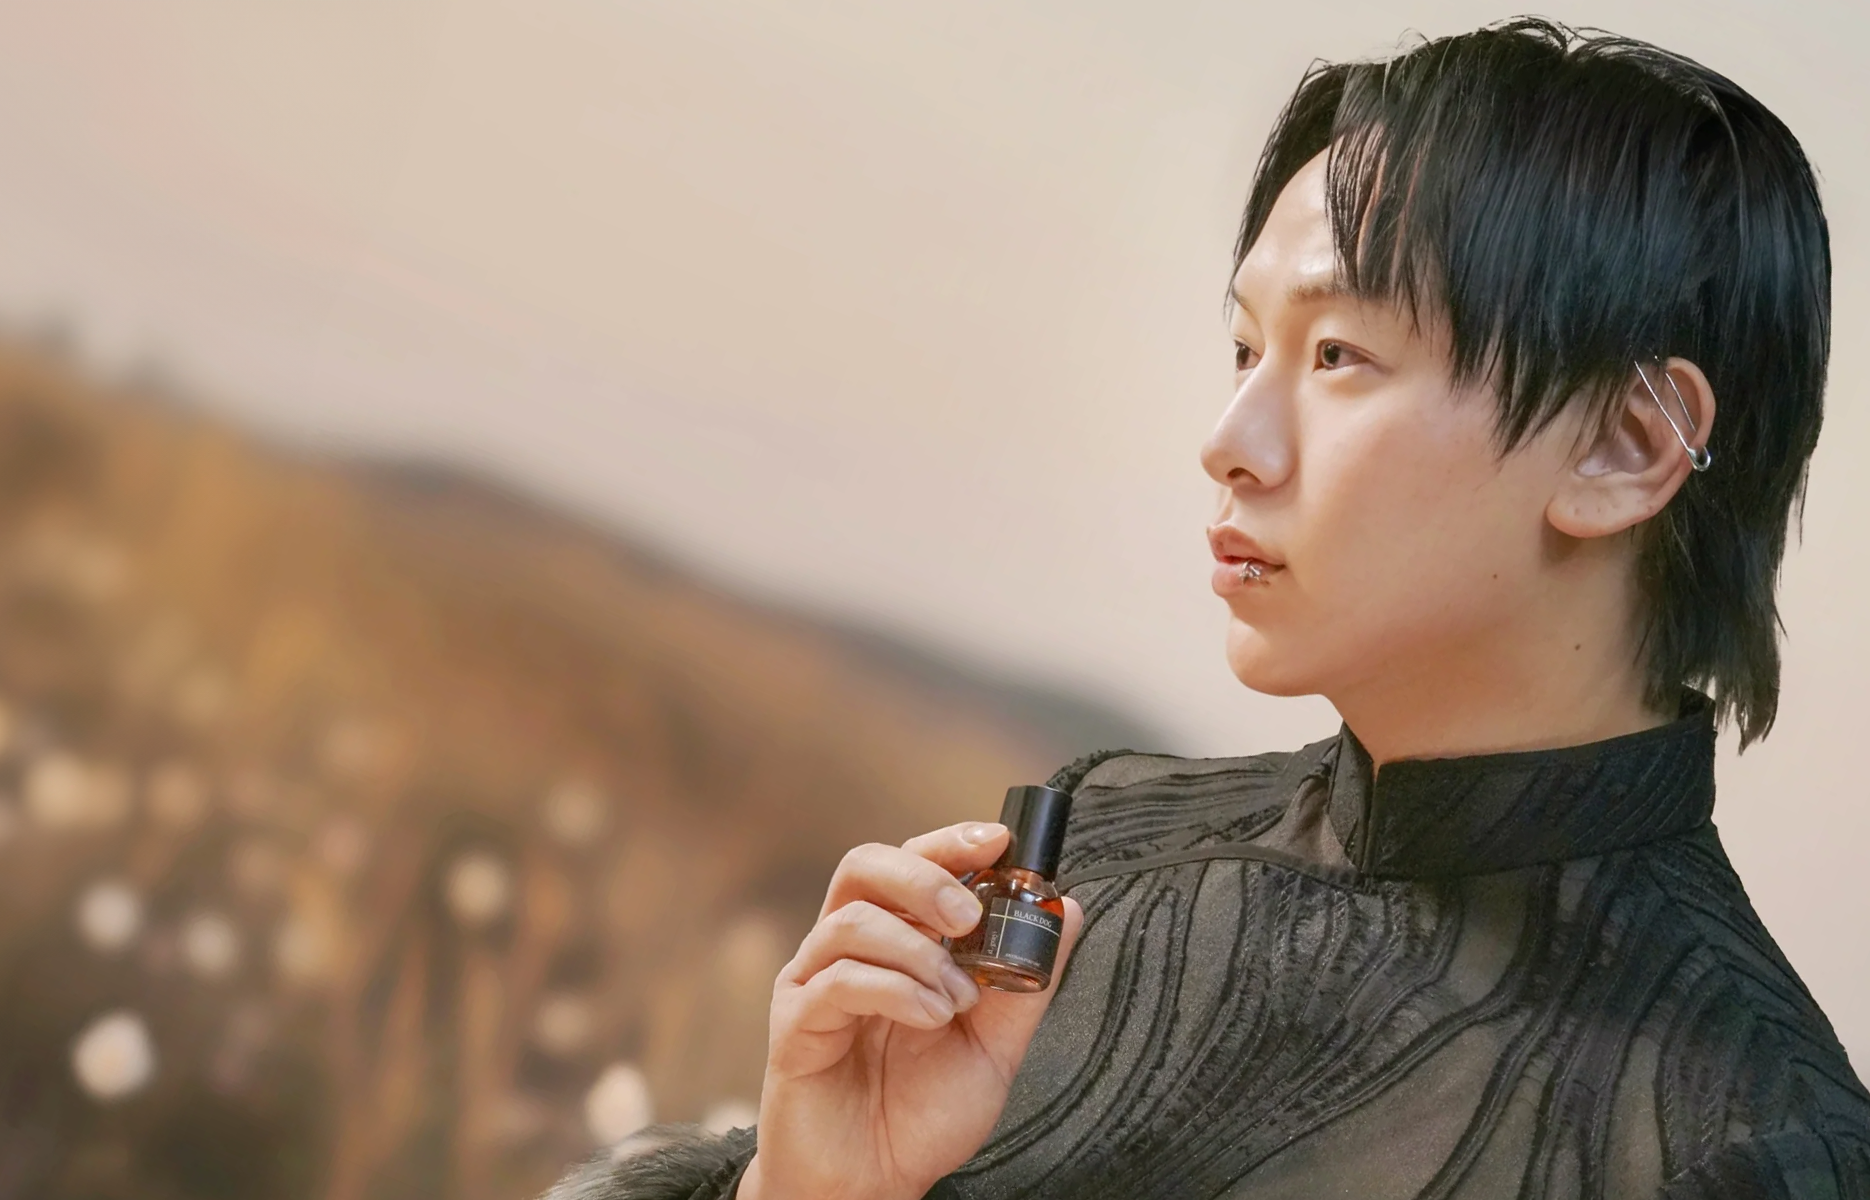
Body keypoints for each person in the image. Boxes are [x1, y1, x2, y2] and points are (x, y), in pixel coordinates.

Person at [551, 18, 1870, 1199]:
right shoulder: (1085, 858)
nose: (1231, 441)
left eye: (1338, 354)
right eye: (1245, 348)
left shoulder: (1750, 1144)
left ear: (1626, 446)